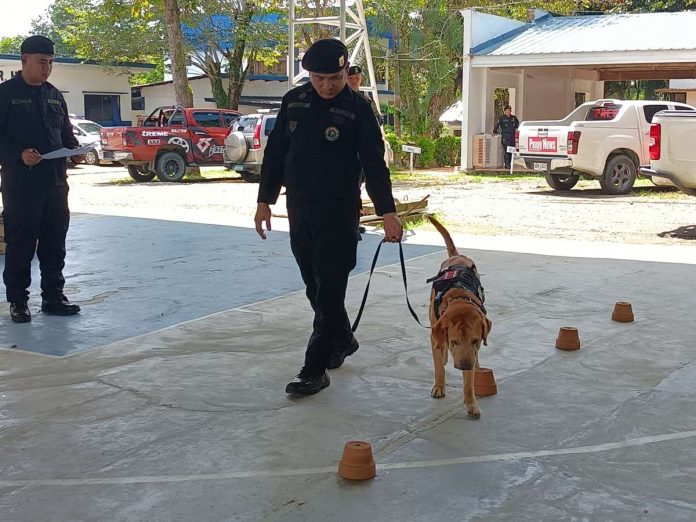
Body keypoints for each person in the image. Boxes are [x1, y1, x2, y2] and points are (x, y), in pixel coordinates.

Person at [254, 38, 403, 396]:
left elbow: (373, 165)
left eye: (334, 77)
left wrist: (388, 212)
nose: (327, 85)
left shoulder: (358, 109)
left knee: (330, 290)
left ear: (345, 71)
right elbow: (275, 156)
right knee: (314, 285)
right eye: (319, 78)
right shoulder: (294, 101)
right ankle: (342, 338)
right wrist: (264, 201)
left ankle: (314, 368)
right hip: (299, 209)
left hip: (339, 212)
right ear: (309, 75)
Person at [0, 35, 82, 323]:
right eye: (41, 62)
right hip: (21, 185)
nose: (46, 68)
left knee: (54, 242)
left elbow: (66, 133)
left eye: (50, 63)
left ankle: (53, 297)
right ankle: (18, 302)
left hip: (55, 182)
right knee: (21, 243)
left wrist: (76, 151)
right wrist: (18, 154)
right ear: (24, 61)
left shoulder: (53, 94)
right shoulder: (6, 94)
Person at [494, 105, 520, 169]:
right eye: (507, 110)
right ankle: (507, 164)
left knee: (512, 151)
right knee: (507, 150)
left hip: (512, 137)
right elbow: (497, 125)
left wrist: (516, 128)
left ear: (510, 111)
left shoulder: (513, 118)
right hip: (506, 137)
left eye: (509, 110)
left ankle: (510, 164)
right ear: (504, 111)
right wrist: (495, 132)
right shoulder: (502, 118)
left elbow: (517, 123)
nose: (508, 112)